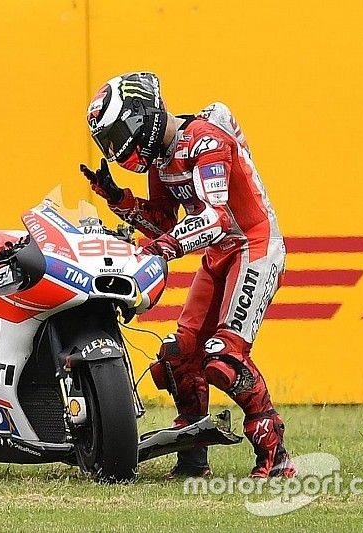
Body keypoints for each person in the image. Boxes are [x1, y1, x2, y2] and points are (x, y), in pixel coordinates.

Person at [80, 72, 295, 478]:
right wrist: (117, 198)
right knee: (179, 356)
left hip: (253, 246)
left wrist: (165, 247)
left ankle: (276, 457)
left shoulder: (207, 141)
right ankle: (193, 461)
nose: (114, 150)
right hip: (219, 254)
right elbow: (163, 223)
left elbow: (216, 217)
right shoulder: (161, 159)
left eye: (116, 135)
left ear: (140, 116)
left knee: (223, 357)